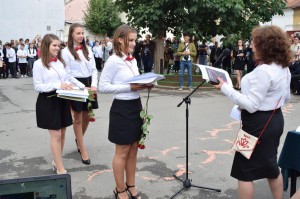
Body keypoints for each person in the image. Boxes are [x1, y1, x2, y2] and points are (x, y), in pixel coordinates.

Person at [213, 25, 291, 199]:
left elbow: (251, 105)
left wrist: (226, 89)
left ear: (265, 45)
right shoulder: (282, 67)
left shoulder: (264, 71)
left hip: (256, 125)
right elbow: (286, 98)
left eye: (255, 43)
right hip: (275, 119)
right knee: (272, 167)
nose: (251, 46)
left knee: (244, 171)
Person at [99, 24, 149, 199]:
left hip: (136, 107)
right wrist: (130, 87)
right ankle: (120, 190)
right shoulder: (113, 60)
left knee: (134, 149)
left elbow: (133, 84)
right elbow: (102, 87)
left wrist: (145, 84)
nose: (135, 43)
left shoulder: (133, 60)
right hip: (121, 109)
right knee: (122, 151)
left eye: (136, 40)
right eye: (131, 40)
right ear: (120, 39)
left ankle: (131, 186)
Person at [33, 34, 85, 174]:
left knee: (62, 133)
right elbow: (38, 86)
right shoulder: (38, 64)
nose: (57, 48)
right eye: (54, 45)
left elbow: (68, 78)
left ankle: (57, 161)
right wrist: (57, 85)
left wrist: (81, 87)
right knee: (56, 134)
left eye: (58, 45)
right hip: (48, 101)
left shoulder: (60, 62)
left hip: (62, 99)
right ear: (46, 46)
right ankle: (60, 168)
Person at [62, 23, 98, 165]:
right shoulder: (65, 52)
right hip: (77, 85)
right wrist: (83, 87)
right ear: (71, 34)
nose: (81, 36)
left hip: (90, 84)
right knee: (77, 117)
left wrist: (94, 85)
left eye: (82, 33)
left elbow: (94, 69)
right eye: (78, 33)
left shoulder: (88, 49)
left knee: (88, 115)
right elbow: (68, 74)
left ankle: (79, 139)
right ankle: (82, 149)